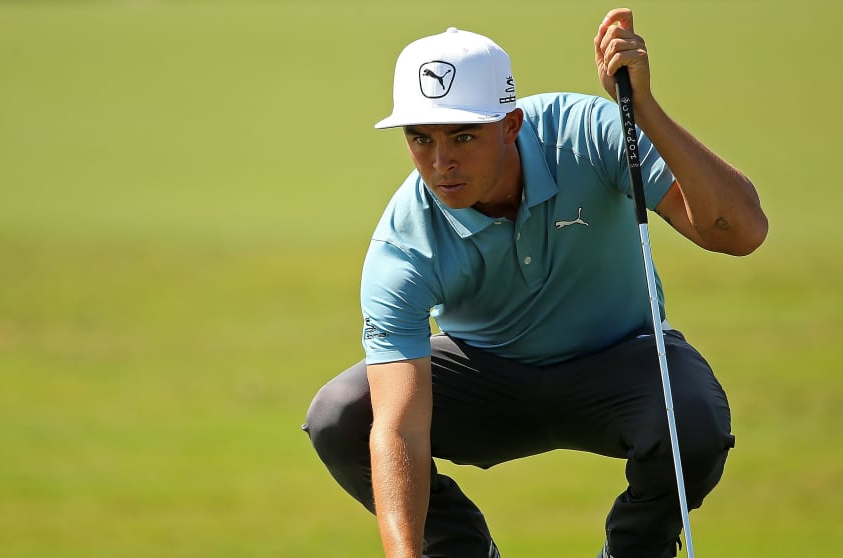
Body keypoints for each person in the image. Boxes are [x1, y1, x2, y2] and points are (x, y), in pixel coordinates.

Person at [302, 8, 767, 558]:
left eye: (464, 136)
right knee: (342, 416)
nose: (442, 162)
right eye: (421, 138)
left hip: (621, 360)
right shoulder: (404, 244)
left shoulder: (589, 133)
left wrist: (643, 111)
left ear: (511, 125)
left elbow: (739, 232)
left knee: (692, 420)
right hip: (485, 378)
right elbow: (399, 428)